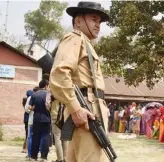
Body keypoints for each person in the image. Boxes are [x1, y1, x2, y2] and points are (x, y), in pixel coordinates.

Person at [49, 2, 110, 161]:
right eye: (93, 19)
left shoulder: (85, 43)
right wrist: (76, 108)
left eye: (99, 21)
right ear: (78, 21)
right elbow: (59, 74)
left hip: (89, 109)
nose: (98, 25)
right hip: (85, 111)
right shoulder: (76, 38)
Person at [29, 80, 51, 161]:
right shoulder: (49, 95)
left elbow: (30, 107)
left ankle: (33, 156)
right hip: (47, 118)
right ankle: (43, 157)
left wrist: (35, 107)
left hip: (37, 118)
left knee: (35, 137)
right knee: (45, 137)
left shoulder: (34, 94)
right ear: (46, 86)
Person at [46, 93, 68, 162]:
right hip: (65, 116)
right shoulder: (64, 90)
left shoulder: (52, 92)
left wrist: (51, 109)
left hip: (55, 115)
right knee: (65, 138)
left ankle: (60, 159)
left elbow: (47, 104)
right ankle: (65, 158)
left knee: (57, 137)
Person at [24, 87, 39, 159]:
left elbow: (26, 109)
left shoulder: (30, 98)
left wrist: (31, 110)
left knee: (31, 137)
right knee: (38, 137)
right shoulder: (43, 96)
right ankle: (38, 155)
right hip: (38, 120)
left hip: (32, 120)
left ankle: (30, 155)